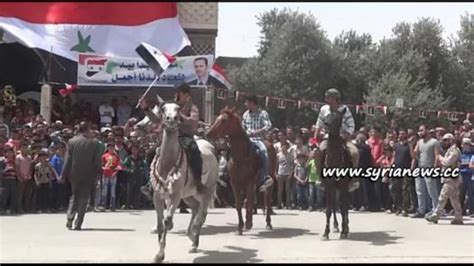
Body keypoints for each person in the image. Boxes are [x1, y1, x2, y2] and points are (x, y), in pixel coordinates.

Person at [313, 88, 359, 192]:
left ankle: (354, 179)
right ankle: (320, 177)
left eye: (328, 97)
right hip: (327, 137)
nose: (326, 99)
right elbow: (318, 125)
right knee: (318, 153)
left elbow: (351, 124)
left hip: (343, 138)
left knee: (355, 153)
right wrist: (315, 140)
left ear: (335, 98)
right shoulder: (323, 109)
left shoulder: (344, 109)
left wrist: (346, 134)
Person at [62, 122, 102, 230]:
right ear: (88, 129)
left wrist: (63, 174)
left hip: (74, 173)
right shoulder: (94, 143)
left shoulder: (72, 141)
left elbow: (67, 159)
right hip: (88, 174)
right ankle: (78, 223)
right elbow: (97, 161)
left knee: (74, 196)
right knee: (84, 198)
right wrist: (99, 174)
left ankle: (70, 217)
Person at [425, 133, 463, 224]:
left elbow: (448, 162)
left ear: (451, 140)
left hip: (451, 178)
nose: (444, 142)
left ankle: (436, 215)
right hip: (449, 177)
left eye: (446, 140)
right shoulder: (449, 150)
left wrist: (440, 158)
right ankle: (458, 217)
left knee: (442, 197)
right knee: (454, 199)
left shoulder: (454, 151)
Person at [241, 94, 274, 191]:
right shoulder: (245, 114)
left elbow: (268, 126)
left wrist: (257, 132)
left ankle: (265, 177)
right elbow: (243, 127)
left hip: (259, 140)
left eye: (246, 102)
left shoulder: (263, 113)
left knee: (264, 152)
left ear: (252, 103)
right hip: (247, 140)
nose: (245, 104)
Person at [411, 125, 441, 218]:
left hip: (429, 168)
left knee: (432, 191)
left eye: (422, 130)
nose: (420, 132)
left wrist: (435, 169)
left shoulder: (434, 142)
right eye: (419, 131)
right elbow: (414, 156)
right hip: (420, 168)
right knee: (420, 190)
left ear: (427, 130)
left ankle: (436, 210)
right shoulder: (419, 142)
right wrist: (410, 145)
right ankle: (421, 210)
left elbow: (437, 156)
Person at [392, 129, 414, 217]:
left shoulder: (409, 145)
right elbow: (394, 156)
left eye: (403, 134)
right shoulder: (396, 145)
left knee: (405, 190)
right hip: (396, 169)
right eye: (400, 134)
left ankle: (405, 208)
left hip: (406, 169)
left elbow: (413, 157)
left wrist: (411, 169)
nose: (400, 135)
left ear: (406, 135)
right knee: (395, 189)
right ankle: (398, 207)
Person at [34, 149, 56, 213]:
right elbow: (35, 174)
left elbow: (50, 174)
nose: (43, 158)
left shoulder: (48, 165)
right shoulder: (37, 166)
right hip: (40, 182)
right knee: (40, 196)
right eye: (41, 156)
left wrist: (50, 182)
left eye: (44, 156)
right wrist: (36, 181)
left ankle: (47, 208)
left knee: (47, 196)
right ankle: (39, 208)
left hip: (46, 181)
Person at [100, 142, 121, 212]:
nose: (111, 148)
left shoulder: (116, 156)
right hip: (105, 174)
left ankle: (113, 206)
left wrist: (115, 172)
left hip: (113, 175)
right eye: (109, 147)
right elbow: (102, 165)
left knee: (113, 191)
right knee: (104, 190)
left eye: (112, 147)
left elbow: (118, 165)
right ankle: (104, 205)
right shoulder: (104, 156)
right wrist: (103, 168)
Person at [15, 143, 33, 214]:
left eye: (25, 148)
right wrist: (21, 176)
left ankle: (26, 208)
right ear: (20, 149)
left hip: (28, 178)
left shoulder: (29, 157)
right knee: (20, 194)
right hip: (20, 178)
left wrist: (29, 175)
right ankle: (19, 209)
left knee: (27, 194)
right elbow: (17, 168)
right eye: (23, 148)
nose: (24, 149)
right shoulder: (18, 157)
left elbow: (31, 167)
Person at [276, 141, 294, 209]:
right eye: (283, 146)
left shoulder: (290, 155)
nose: (284, 148)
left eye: (285, 146)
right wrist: (276, 173)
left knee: (288, 190)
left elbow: (292, 165)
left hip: (287, 173)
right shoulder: (278, 155)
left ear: (287, 147)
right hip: (280, 173)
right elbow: (276, 165)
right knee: (279, 190)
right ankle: (279, 204)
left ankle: (288, 204)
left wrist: (291, 173)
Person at [459, 138, 474, 216]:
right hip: (461, 176)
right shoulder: (460, 154)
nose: (465, 146)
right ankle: (461, 210)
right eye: (464, 144)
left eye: (467, 144)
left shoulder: (472, 154)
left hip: (470, 176)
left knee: (471, 194)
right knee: (461, 194)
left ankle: (472, 210)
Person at [1, 147, 17, 215]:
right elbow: (1, 172)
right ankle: (3, 209)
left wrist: (15, 173)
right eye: (8, 152)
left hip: (12, 179)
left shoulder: (13, 162)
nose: (10, 154)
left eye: (11, 152)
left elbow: (16, 170)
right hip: (6, 180)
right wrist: (6, 169)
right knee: (5, 195)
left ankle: (12, 209)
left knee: (13, 195)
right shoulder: (3, 161)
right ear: (6, 153)